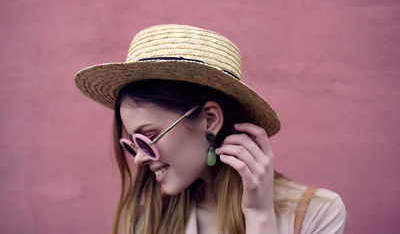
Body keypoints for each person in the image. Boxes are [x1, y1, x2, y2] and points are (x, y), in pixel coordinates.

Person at [74, 24, 346, 234]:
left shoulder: (316, 213)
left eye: (148, 138)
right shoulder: (150, 222)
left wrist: (260, 216)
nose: (142, 159)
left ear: (209, 120)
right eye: (132, 145)